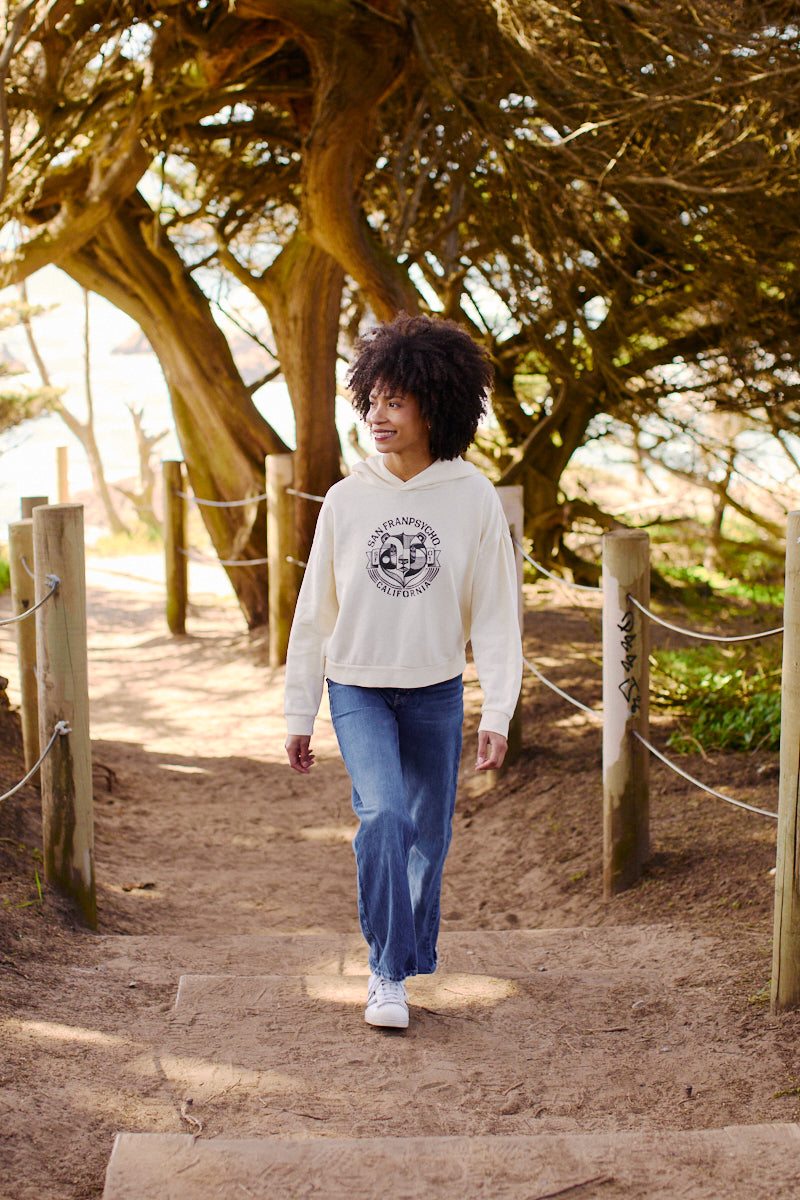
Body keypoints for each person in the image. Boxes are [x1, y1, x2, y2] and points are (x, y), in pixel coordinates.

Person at [284, 313, 523, 1030]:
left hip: (435, 694)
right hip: (356, 686)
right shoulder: (347, 499)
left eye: (396, 401)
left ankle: (407, 956)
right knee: (384, 818)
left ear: (435, 404)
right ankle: (386, 972)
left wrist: (498, 712)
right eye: (372, 400)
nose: (378, 416)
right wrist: (300, 713)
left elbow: (496, 617)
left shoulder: (472, 497)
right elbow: (312, 615)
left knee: (429, 838)